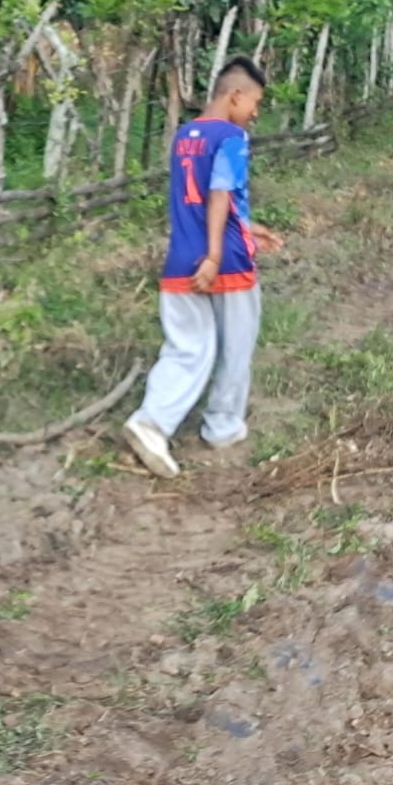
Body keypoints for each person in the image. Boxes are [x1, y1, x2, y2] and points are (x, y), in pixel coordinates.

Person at [123, 56, 285, 480]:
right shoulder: (232, 136)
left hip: (181, 257)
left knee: (187, 347)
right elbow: (218, 194)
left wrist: (249, 227)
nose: (255, 113)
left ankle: (151, 423)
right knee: (236, 346)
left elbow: (198, 200)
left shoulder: (184, 136)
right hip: (226, 260)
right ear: (235, 96)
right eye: (255, 103)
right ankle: (222, 427)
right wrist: (215, 255)